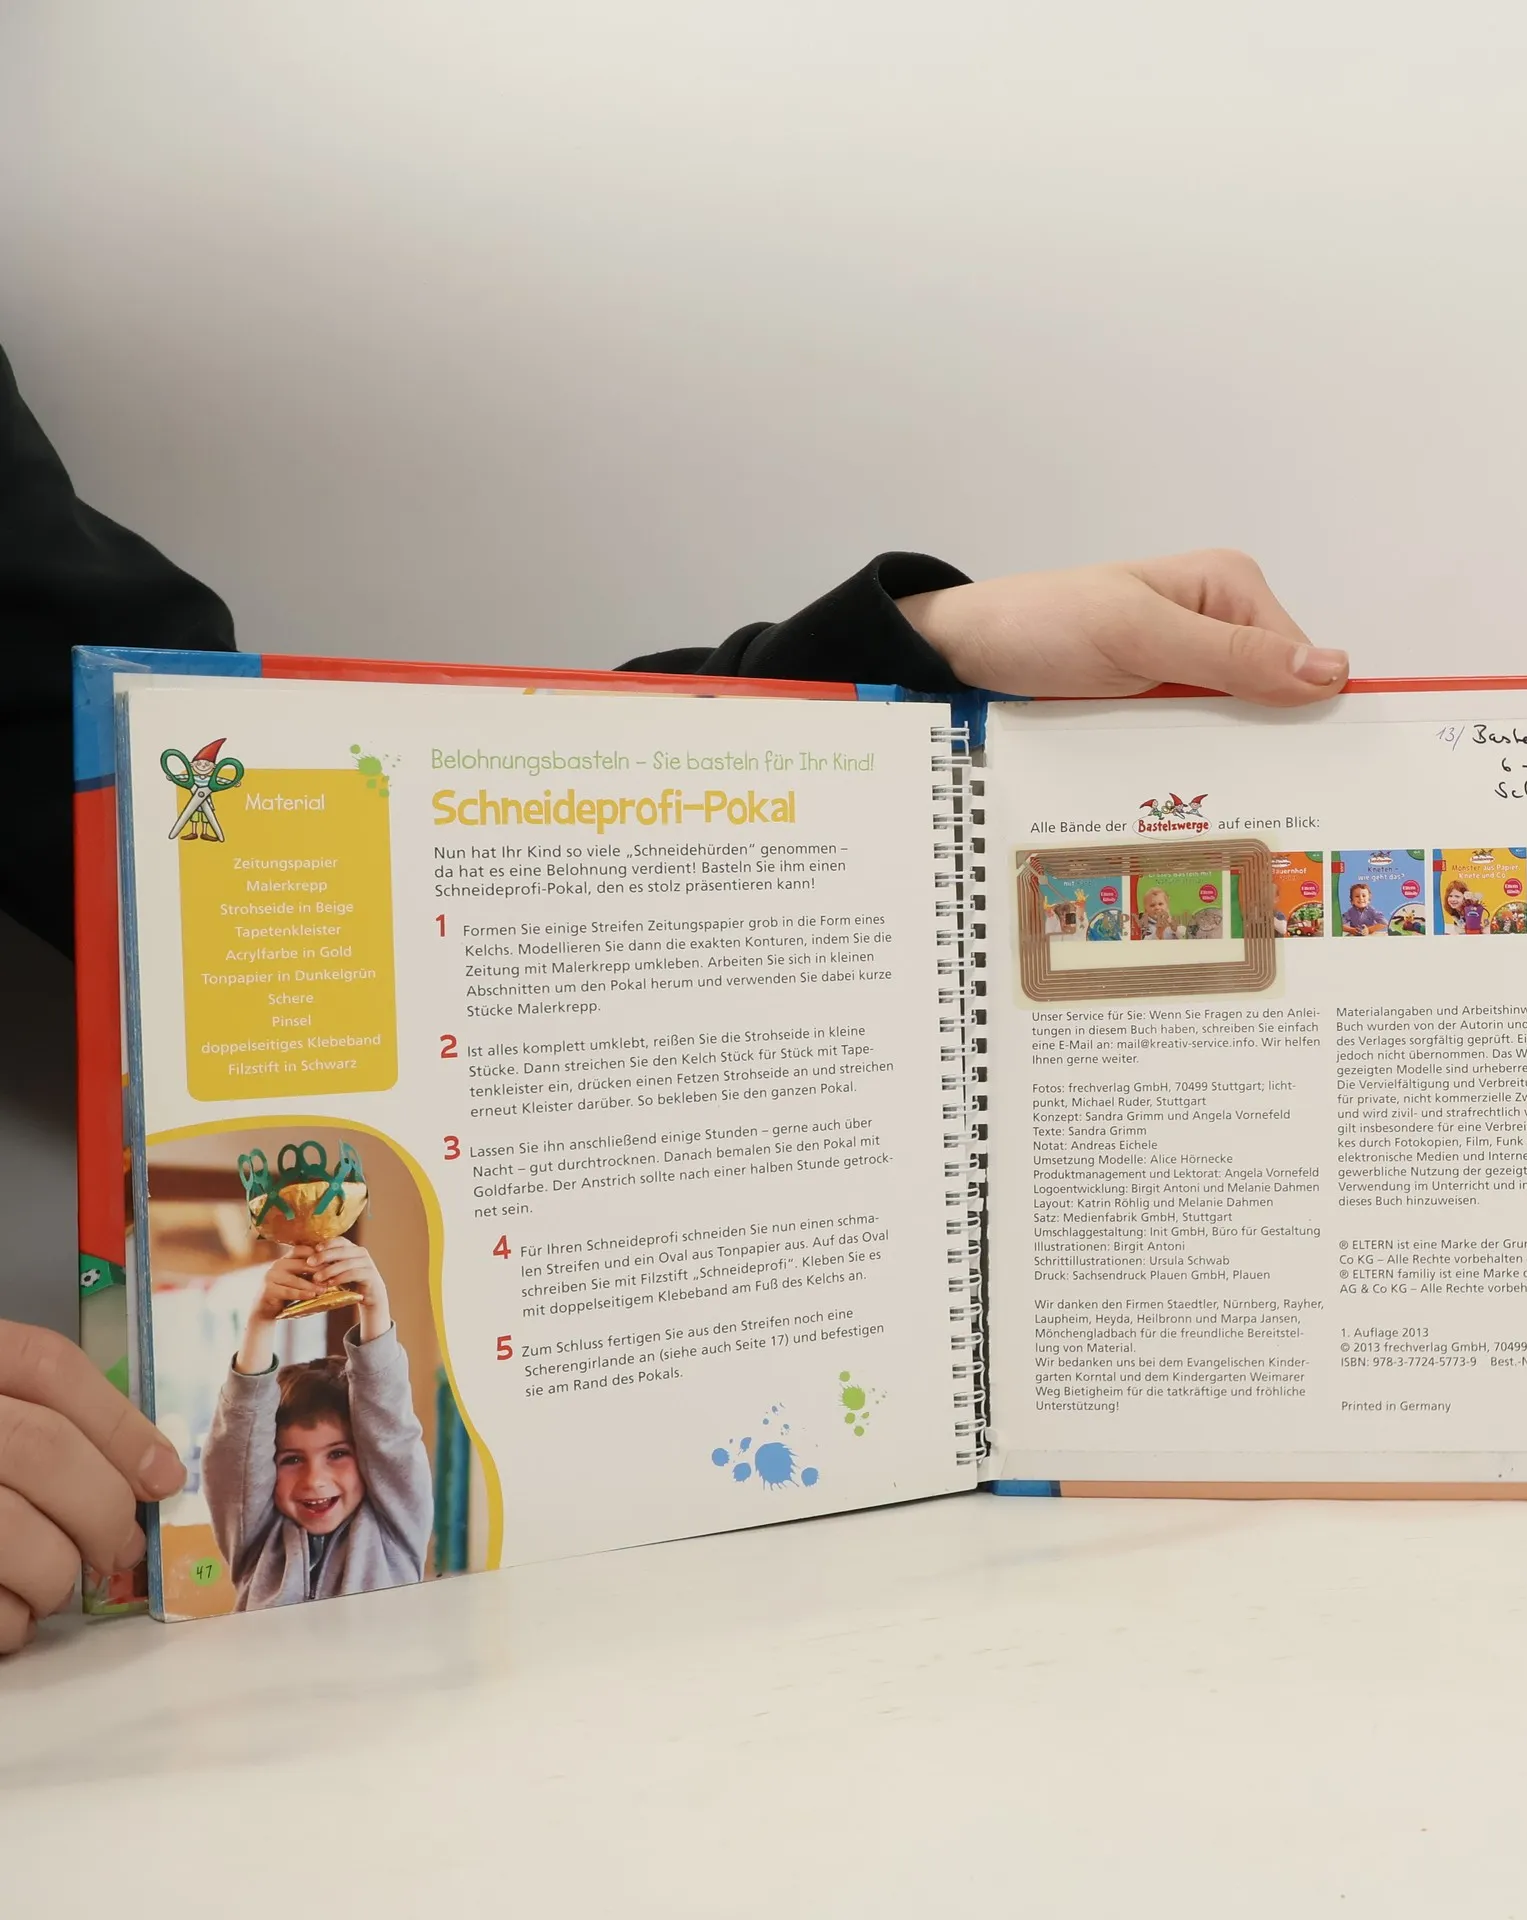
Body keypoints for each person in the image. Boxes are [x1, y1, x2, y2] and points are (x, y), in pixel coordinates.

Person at [0, 341, 1349, 1652]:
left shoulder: (374, 1466)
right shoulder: (280, 1517)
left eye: (329, 1453)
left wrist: (924, 650)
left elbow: (192, 794)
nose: (315, 1479)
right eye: (312, 1460)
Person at [203, 1239, 432, 1609]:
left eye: (337, 1453)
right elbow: (237, 1450)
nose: (314, 1479)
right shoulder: (255, 1537)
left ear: (368, 1455)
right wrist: (261, 1319)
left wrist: (374, 1303)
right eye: (292, 1459)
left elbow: (388, 1428)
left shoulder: (395, 1526)